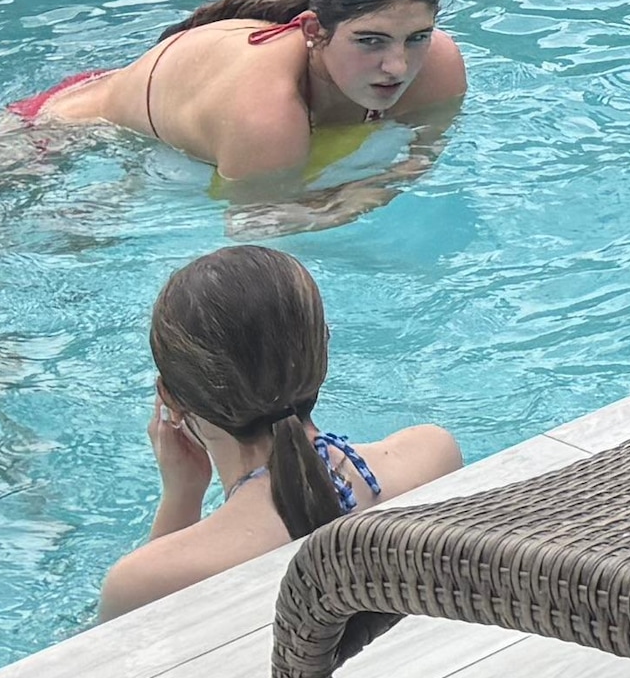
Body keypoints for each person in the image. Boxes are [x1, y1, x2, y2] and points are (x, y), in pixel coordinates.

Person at [96, 243, 456, 618]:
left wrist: (181, 495)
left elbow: (133, 633)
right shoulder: (432, 455)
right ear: (323, 351)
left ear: (169, 399)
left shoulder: (143, 581)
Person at [10, 0, 467, 212]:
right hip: (55, 131)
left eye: (417, 37)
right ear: (313, 30)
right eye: (370, 41)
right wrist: (359, 198)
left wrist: (377, 186)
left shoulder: (438, 67)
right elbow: (254, 227)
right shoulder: (266, 112)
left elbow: (420, 157)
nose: (397, 65)